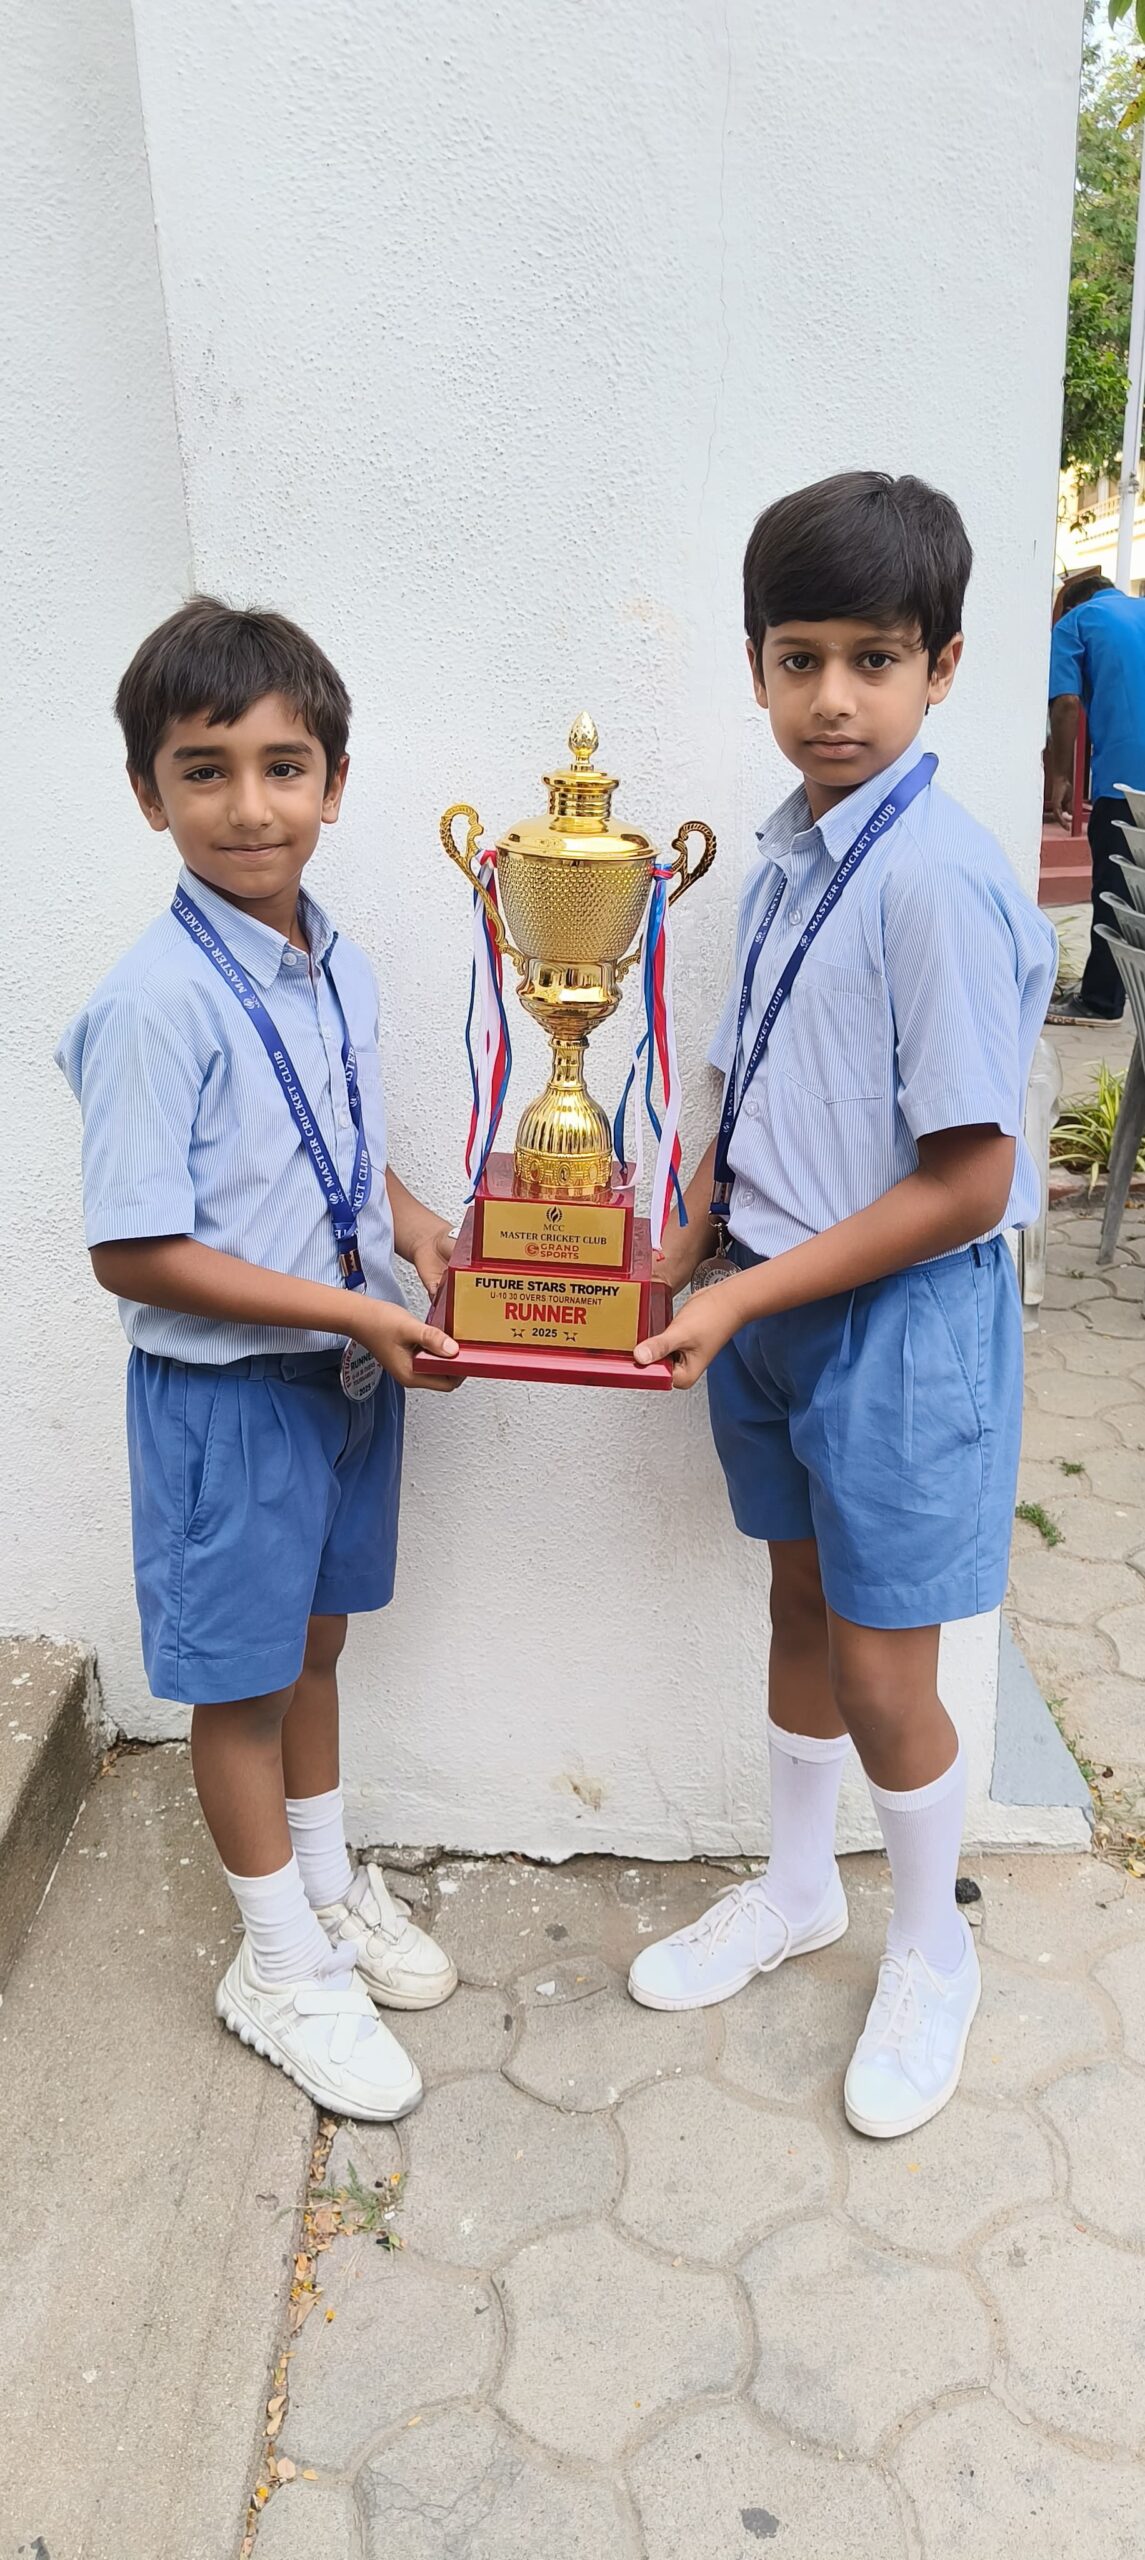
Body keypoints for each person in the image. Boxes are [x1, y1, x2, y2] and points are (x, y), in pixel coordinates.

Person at [628, 472, 1056, 2140]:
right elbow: (761, 1078)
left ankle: (931, 1947)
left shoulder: (933, 879)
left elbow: (965, 1181)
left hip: (895, 1322)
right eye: (798, 657)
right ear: (753, 666)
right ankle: (801, 1889)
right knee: (802, 1612)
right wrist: (681, 1242)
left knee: (889, 1670)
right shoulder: (794, 853)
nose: (831, 698)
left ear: (941, 668)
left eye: (873, 660)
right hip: (772, 1302)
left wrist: (741, 1302)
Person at [57, 598, 463, 2122]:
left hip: (339, 1385)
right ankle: (278, 1965)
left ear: (336, 783)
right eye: (204, 769)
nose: (249, 805)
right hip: (233, 1400)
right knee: (235, 1690)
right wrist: (356, 1311)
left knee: (314, 1648)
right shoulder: (155, 1004)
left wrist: (417, 1233)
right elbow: (133, 1250)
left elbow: (346, 1167)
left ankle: (326, 1887)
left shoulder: (334, 962)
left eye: (283, 766)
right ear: (148, 793)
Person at [1047, 568, 1145, 1023]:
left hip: (1126, 783)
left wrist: (1061, 776)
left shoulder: (1075, 623)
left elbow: (1066, 703)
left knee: (1115, 892)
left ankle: (1101, 1001)